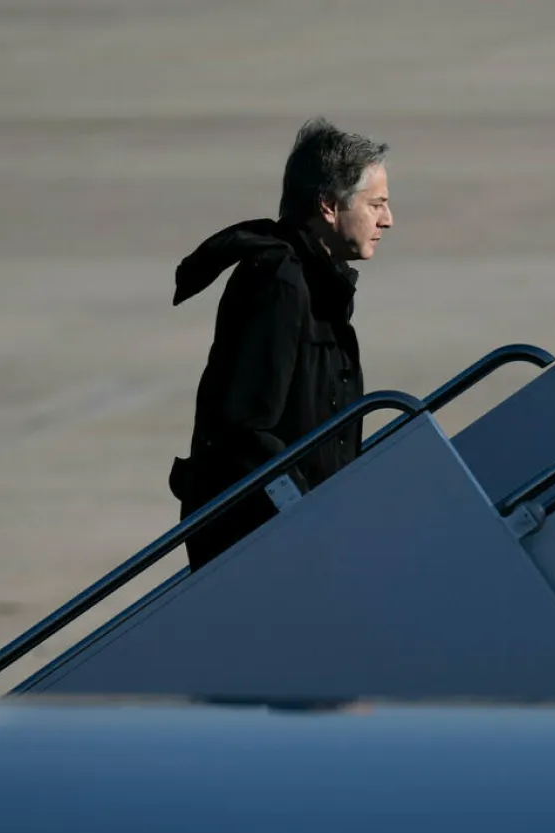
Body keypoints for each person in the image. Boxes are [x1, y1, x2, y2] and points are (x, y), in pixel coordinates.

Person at [168, 117, 393, 570]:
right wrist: (308, 515)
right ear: (329, 206)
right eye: (376, 205)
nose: (387, 220)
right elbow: (245, 430)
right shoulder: (279, 284)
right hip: (264, 544)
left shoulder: (316, 283)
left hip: (295, 535)